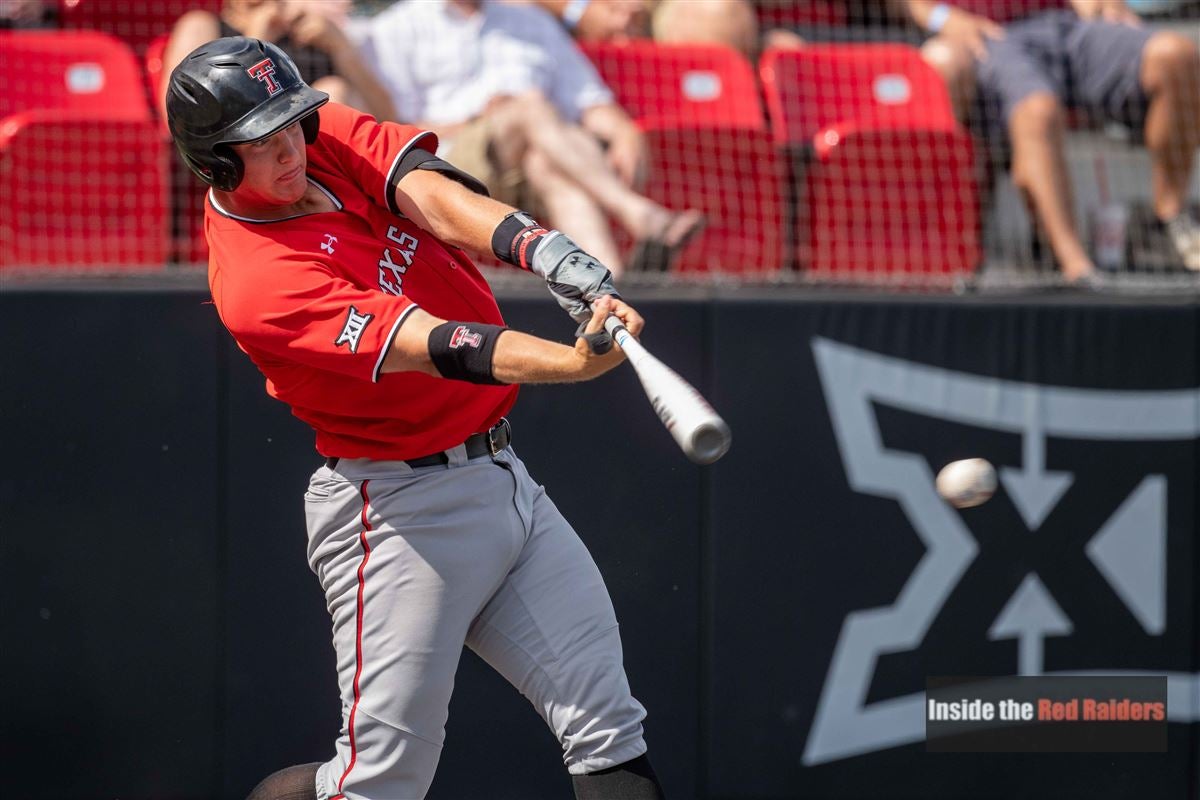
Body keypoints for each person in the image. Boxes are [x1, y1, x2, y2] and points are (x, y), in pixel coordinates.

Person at [166, 36, 667, 800]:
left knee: (608, 728)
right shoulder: (257, 283)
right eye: (261, 145)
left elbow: (425, 190)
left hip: (504, 480)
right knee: (381, 783)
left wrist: (543, 248)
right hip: (399, 517)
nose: (291, 149)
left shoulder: (310, 133)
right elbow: (436, 346)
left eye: (292, 127)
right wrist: (570, 363)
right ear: (214, 164)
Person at [365, 0, 705, 275]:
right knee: (530, 106)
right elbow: (395, 128)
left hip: (538, 158)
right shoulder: (396, 26)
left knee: (544, 163)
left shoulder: (532, 22)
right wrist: (481, 118)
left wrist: (623, 130)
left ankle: (607, 290)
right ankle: (638, 214)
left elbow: (590, 101)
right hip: (448, 164)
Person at [893, 0, 1200, 278]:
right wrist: (944, 18)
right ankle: (1076, 269)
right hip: (990, 38)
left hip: (1064, 27)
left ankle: (1167, 221)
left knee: (1176, 54)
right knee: (1038, 110)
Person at [159, 0, 395, 123]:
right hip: (241, 158)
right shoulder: (203, 25)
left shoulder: (310, 33)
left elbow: (388, 117)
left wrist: (342, 48)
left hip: (323, 162)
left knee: (333, 90)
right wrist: (254, 40)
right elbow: (177, 114)